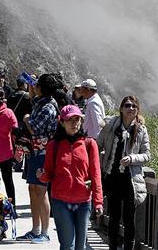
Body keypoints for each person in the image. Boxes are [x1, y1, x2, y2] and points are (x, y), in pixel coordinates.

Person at [37, 105, 103, 250]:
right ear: (62, 122)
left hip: (84, 201)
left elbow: (96, 174)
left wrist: (98, 202)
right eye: (70, 120)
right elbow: (49, 173)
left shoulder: (89, 144)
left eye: (77, 119)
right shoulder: (53, 146)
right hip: (60, 201)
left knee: (80, 247)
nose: (74, 124)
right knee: (67, 246)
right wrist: (42, 176)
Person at [97, 96, 151, 250]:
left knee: (129, 219)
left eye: (134, 106)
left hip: (131, 180)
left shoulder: (141, 130)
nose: (131, 108)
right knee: (113, 216)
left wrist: (132, 158)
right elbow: (97, 145)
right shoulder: (110, 126)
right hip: (112, 177)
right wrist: (99, 163)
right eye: (127, 105)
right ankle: (112, 247)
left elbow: (147, 155)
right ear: (121, 108)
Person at [21, 73, 60, 242]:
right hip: (35, 151)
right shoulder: (41, 101)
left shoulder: (48, 107)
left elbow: (34, 129)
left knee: (41, 191)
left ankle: (44, 232)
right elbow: (33, 97)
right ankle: (35, 229)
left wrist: (27, 119)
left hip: (43, 153)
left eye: (37, 85)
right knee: (33, 189)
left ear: (42, 89)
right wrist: (31, 85)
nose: (34, 87)